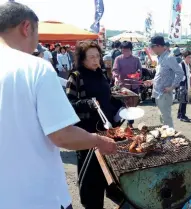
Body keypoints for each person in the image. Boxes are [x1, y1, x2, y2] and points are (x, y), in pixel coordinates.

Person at [0, 2, 116, 209]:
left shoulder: (101, 75)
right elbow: (61, 135)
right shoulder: (36, 68)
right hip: (37, 197)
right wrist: (99, 140)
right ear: (26, 28)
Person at [66, 41, 125, 209]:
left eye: (97, 56)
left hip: (107, 131)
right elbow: (69, 104)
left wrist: (121, 108)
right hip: (87, 134)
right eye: (91, 57)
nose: (96, 60)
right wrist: (87, 103)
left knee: (109, 171)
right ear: (82, 59)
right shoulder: (76, 76)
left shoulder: (101, 73)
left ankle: (113, 196)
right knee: (91, 177)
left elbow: (107, 98)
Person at [143, 36, 183, 128]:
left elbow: (180, 73)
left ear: (158, 46)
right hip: (158, 93)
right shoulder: (160, 58)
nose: (151, 49)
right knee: (162, 118)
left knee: (166, 118)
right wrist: (152, 81)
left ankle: (170, 139)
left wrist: (172, 87)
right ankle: (166, 138)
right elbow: (161, 75)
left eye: (152, 47)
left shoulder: (169, 57)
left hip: (165, 93)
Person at [112, 41, 142, 128]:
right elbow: (115, 70)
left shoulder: (136, 59)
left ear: (131, 50)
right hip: (123, 86)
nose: (125, 52)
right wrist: (116, 78)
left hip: (134, 85)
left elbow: (139, 70)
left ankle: (130, 123)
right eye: (123, 50)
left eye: (127, 50)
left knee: (132, 106)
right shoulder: (118, 59)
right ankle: (118, 122)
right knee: (123, 105)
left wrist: (137, 74)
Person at [177, 50, 191, 121]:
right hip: (182, 85)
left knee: (184, 101)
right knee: (183, 101)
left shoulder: (188, 65)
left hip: (186, 85)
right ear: (184, 57)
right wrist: (184, 77)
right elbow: (177, 75)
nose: (190, 59)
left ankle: (180, 115)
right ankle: (182, 115)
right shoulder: (181, 65)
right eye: (189, 57)